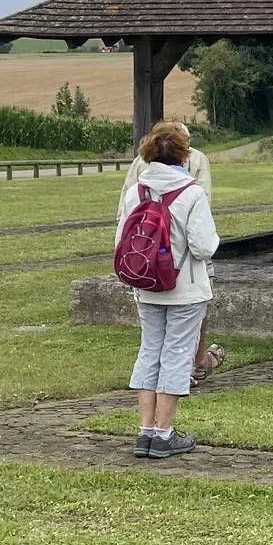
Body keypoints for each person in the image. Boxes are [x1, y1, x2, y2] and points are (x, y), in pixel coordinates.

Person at [115, 123, 220, 459]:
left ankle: (145, 431)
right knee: (176, 353)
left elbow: (122, 240)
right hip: (184, 289)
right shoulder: (191, 194)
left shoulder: (137, 193)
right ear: (183, 154)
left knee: (149, 351)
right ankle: (164, 433)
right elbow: (204, 247)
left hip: (145, 286)